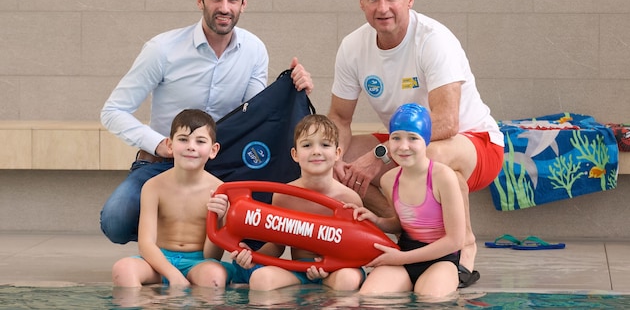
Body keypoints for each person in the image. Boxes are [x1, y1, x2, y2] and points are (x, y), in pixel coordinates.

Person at [100, 0, 313, 245]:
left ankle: (201, 246)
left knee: (259, 226)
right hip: (163, 164)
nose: (224, 8)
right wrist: (159, 144)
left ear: (243, 3)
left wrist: (294, 90)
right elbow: (113, 111)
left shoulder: (254, 51)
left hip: (223, 165)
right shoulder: (162, 50)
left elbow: (255, 116)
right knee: (116, 219)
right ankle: (168, 240)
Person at [327, 0, 503, 287]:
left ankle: (463, 247)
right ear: (361, 3)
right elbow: (339, 117)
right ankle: (404, 234)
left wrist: (379, 154)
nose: (383, 8)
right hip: (405, 141)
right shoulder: (353, 46)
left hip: (475, 143)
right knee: (344, 162)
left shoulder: (434, 40)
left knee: (428, 159)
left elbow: (446, 122)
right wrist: (334, 156)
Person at [208, 114, 365, 291]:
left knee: (348, 280)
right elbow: (277, 244)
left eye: (325, 144)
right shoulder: (284, 196)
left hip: (337, 268)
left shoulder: (349, 199)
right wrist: (251, 256)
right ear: (295, 154)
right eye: (307, 145)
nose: (316, 151)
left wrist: (330, 266)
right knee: (261, 279)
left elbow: (356, 247)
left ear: (337, 153)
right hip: (298, 268)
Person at [346, 103, 465, 298]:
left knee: (429, 298)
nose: (403, 146)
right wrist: (374, 220)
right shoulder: (389, 179)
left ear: (426, 141)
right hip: (403, 256)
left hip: (440, 260)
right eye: (396, 138)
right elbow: (400, 225)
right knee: (369, 296)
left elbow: (455, 240)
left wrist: (401, 257)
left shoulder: (443, 177)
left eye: (413, 138)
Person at [111, 109, 233, 287]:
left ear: (213, 150)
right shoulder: (153, 187)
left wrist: (220, 220)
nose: (191, 146)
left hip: (197, 264)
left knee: (214, 276)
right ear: (169, 145)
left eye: (200, 141)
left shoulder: (220, 192)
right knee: (123, 269)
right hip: (158, 261)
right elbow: (145, 243)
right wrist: (173, 274)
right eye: (183, 140)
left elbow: (211, 257)